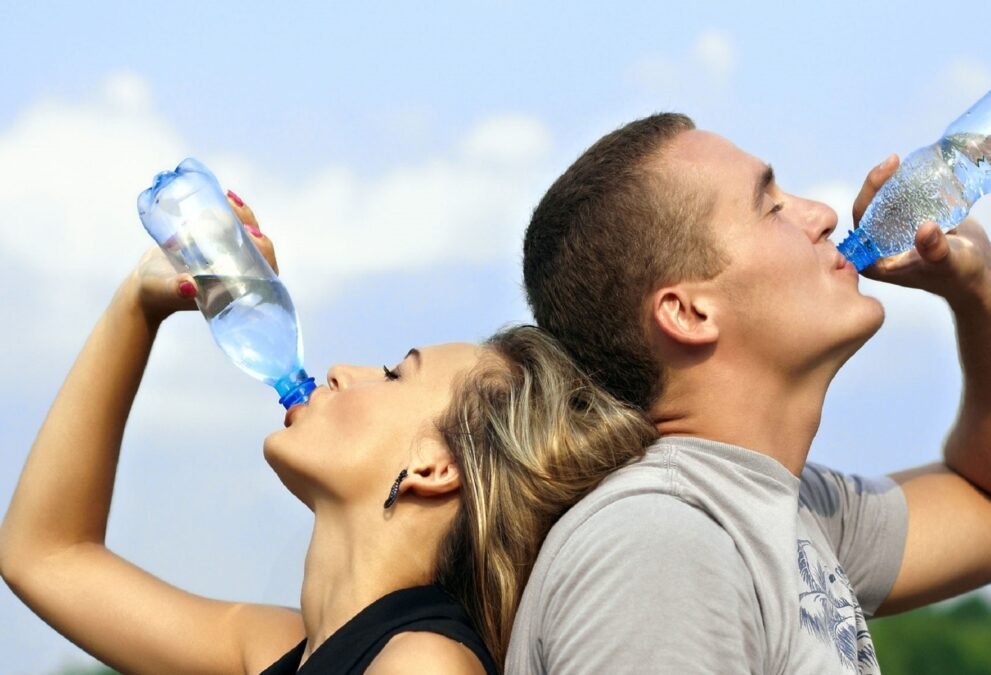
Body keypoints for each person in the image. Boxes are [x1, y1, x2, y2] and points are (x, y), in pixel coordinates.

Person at [507, 113, 991, 673]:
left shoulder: (785, 511)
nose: (826, 215)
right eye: (772, 206)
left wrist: (982, 288)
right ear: (688, 312)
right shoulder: (660, 547)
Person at [0, 196, 657, 674]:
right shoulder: (279, 651)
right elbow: (44, 553)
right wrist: (138, 305)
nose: (342, 371)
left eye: (397, 373)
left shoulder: (423, 664)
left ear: (434, 465)